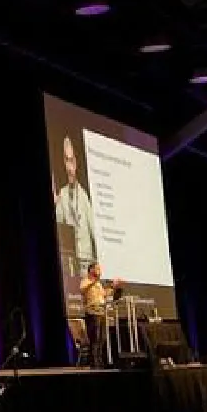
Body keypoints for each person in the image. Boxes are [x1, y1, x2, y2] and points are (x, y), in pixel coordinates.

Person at [54, 135, 97, 270]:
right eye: (67, 161)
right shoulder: (62, 194)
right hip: (72, 265)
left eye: (71, 160)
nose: (70, 167)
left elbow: (94, 231)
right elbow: (59, 230)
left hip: (87, 264)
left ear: (76, 162)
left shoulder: (84, 196)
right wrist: (55, 206)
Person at [80, 262, 123, 369]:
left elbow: (103, 294)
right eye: (98, 269)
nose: (100, 271)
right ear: (91, 270)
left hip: (102, 312)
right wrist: (93, 282)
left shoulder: (98, 284)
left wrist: (113, 287)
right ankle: (93, 363)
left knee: (102, 339)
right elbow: (83, 290)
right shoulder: (86, 281)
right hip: (92, 313)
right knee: (95, 338)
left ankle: (99, 361)